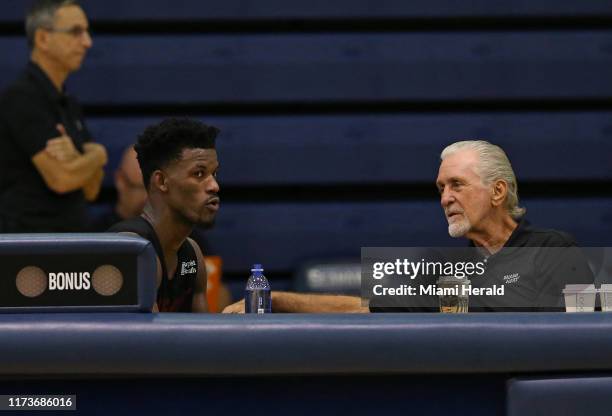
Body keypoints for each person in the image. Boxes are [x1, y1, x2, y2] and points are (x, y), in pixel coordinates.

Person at [223, 140, 593, 313]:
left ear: (498, 191)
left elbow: (574, 333)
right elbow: (366, 309)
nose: (445, 198)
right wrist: (281, 300)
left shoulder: (554, 248)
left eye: (457, 185)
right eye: (440, 189)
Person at [0, 0, 107, 232]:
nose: (88, 42)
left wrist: (78, 161)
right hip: (28, 246)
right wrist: (97, 154)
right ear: (43, 39)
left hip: (67, 239)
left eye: (87, 32)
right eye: (76, 32)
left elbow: (92, 189)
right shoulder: (21, 97)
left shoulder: (69, 102)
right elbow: (62, 179)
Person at [109, 118, 221, 313]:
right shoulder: (132, 251)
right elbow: (146, 342)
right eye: (199, 174)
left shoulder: (192, 255)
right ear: (161, 181)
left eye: (215, 174)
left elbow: (204, 340)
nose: (214, 186)